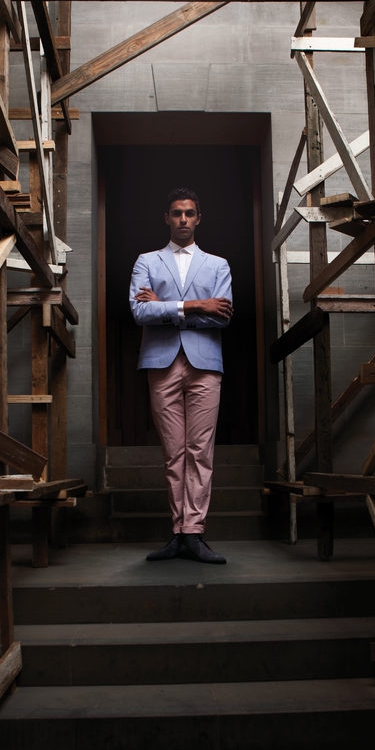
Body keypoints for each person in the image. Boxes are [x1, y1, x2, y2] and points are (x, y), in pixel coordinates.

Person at [129, 187, 233, 564]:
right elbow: (140, 313)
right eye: (177, 213)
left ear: (198, 218)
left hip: (205, 365)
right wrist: (196, 305)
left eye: (189, 213)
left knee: (199, 451)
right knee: (174, 452)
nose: (183, 219)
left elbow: (222, 317)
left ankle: (194, 532)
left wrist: (168, 308)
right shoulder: (147, 261)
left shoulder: (218, 265)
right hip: (161, 363)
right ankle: (179, 531)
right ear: (167, 218)